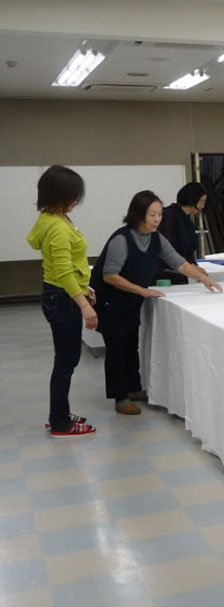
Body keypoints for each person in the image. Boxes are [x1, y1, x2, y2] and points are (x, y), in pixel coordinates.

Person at [91, 190, 222, 415]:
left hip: (131, 301)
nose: (157, 219)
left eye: (159, 214)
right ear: (138, 214)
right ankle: (120, 398)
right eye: (152, 215)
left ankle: (133, 388)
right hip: (110, 303)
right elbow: (109, 276)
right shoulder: (121, 239)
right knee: (117, 349)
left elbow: (179, 263)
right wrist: (142, 290)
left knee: (131, 345)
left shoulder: (156, 239)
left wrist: (203, 278)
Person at [27, 165, 97, 437]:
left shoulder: (50, 218)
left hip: (60, 293)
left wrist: (85, 287)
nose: (76, 201)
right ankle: (60, 423)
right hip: (62, 297)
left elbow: (68, 268)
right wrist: (84, 304)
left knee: (66, 359)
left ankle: (59, 414)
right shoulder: (57, 227)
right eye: (73, 195)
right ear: (59, 195)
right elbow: (64, 271)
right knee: (66, 362)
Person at [154, 182, 208, 285]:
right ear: (192, 199)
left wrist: (194, 267)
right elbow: (169, 249)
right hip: (165, 276)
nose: (203, 206)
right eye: (202, 201)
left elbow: (188, 252)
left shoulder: (187, 221)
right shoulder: (169, 216)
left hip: (179, 273)